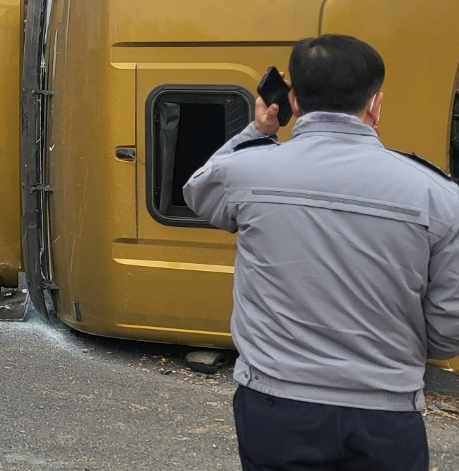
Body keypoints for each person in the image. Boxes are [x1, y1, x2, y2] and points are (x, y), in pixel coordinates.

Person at [183, 34, 459, 471]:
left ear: (291, 98)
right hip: (387, 413)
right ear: (375, 104)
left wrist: (259, 130)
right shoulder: (439, 196)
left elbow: (199, 191)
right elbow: (448, 330)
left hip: (275, 405)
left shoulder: (245, 172)